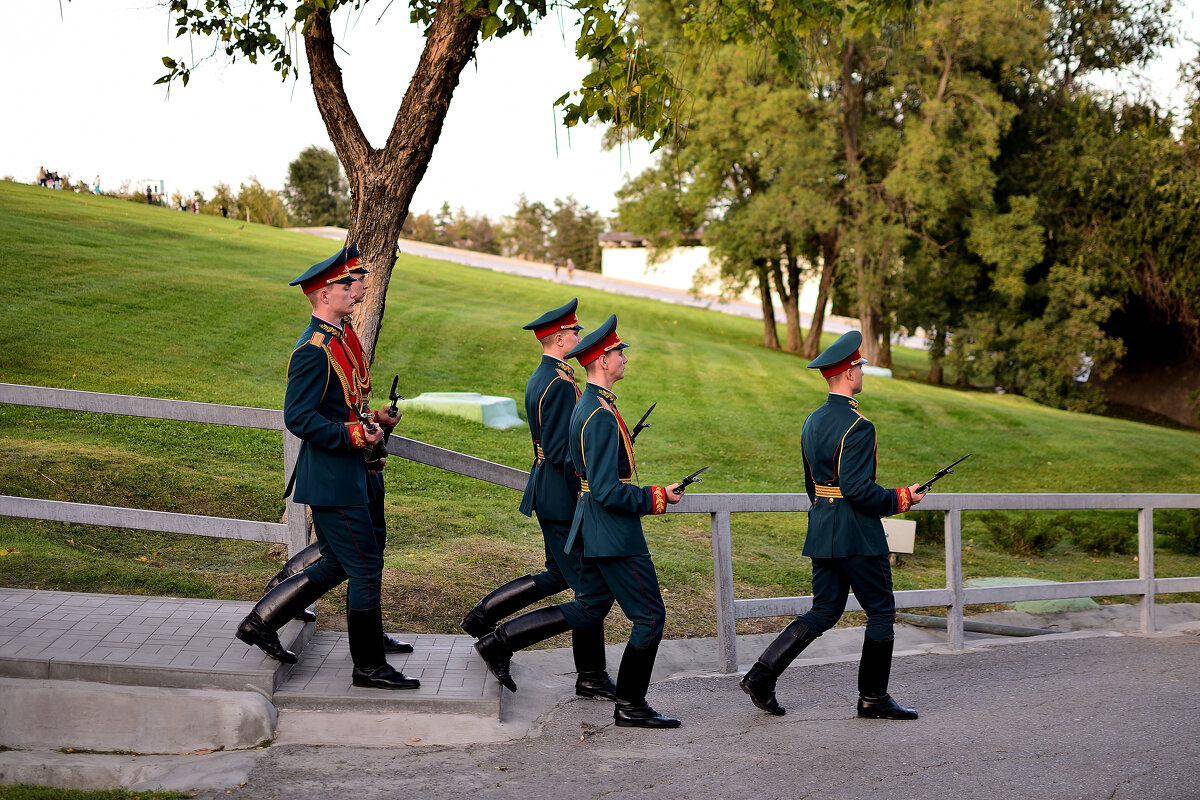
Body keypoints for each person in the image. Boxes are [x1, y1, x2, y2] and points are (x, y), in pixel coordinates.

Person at [474, 315, 685, 729]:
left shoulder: (591, 403)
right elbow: (606, 489)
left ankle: (500, 640)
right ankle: (631, 704)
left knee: (590, 605)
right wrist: (656, 496)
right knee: (649, 617)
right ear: (603, 361)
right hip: (614, 532)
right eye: (619, 352)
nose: (625, 357)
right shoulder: (598, 413)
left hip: (593, 525)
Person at [234, 245, 419, 690]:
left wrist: (373, 422)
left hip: (354, 471)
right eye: (346, 285)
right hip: (334, 478)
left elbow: (345, 405)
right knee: (364, 567)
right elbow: (298, 417)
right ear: (323, 295)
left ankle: (261, 622)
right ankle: (368, 666)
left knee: (341, 561)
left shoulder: (339, 337)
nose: (355, 291)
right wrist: (356, 435)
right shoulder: (313, 349)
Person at [740, 330, 925, 720]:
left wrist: (827, 512)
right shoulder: (860, 425)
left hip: (823, 527)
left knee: (824, 610)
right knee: (880, 611)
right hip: (858, 534)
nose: (862, 373)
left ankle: (761, 676)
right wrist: (901, 497)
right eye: (859, 367)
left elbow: (812, 484)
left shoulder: (813, 420)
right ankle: (872, 699)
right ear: (848, 373)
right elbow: (858, 489)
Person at [459, 299, 617, 701]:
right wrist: (600, 462)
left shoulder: (544, 376)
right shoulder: (562, 385)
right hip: (562, 496)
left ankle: (483, 615)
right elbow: (565, 451)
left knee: (561, 574)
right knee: (589, 590)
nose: (580, 338)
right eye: (576, 332)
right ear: (561, 338)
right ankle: (506, 643)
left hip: (548, 487)